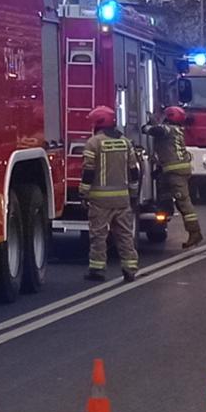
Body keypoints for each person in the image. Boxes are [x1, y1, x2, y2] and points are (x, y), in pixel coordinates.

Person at [82, 106, 141, 282]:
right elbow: (133, 170)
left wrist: (83, 193)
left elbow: (88, 172)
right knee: (124, 234)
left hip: (100, 200)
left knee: (98, 235)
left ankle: (97, 270)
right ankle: (130, 268)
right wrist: (133, 193)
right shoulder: (125, 142)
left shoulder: (94, 143)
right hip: (122, 199)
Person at [143, 105, 204, 249]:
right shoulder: (177, 130)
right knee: (164, 192)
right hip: (171, 170)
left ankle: (195, 232)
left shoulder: (169, 129)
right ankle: (164, 213)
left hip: (175, 172)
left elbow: (155, 130)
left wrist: (146, 126)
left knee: (183, 201)